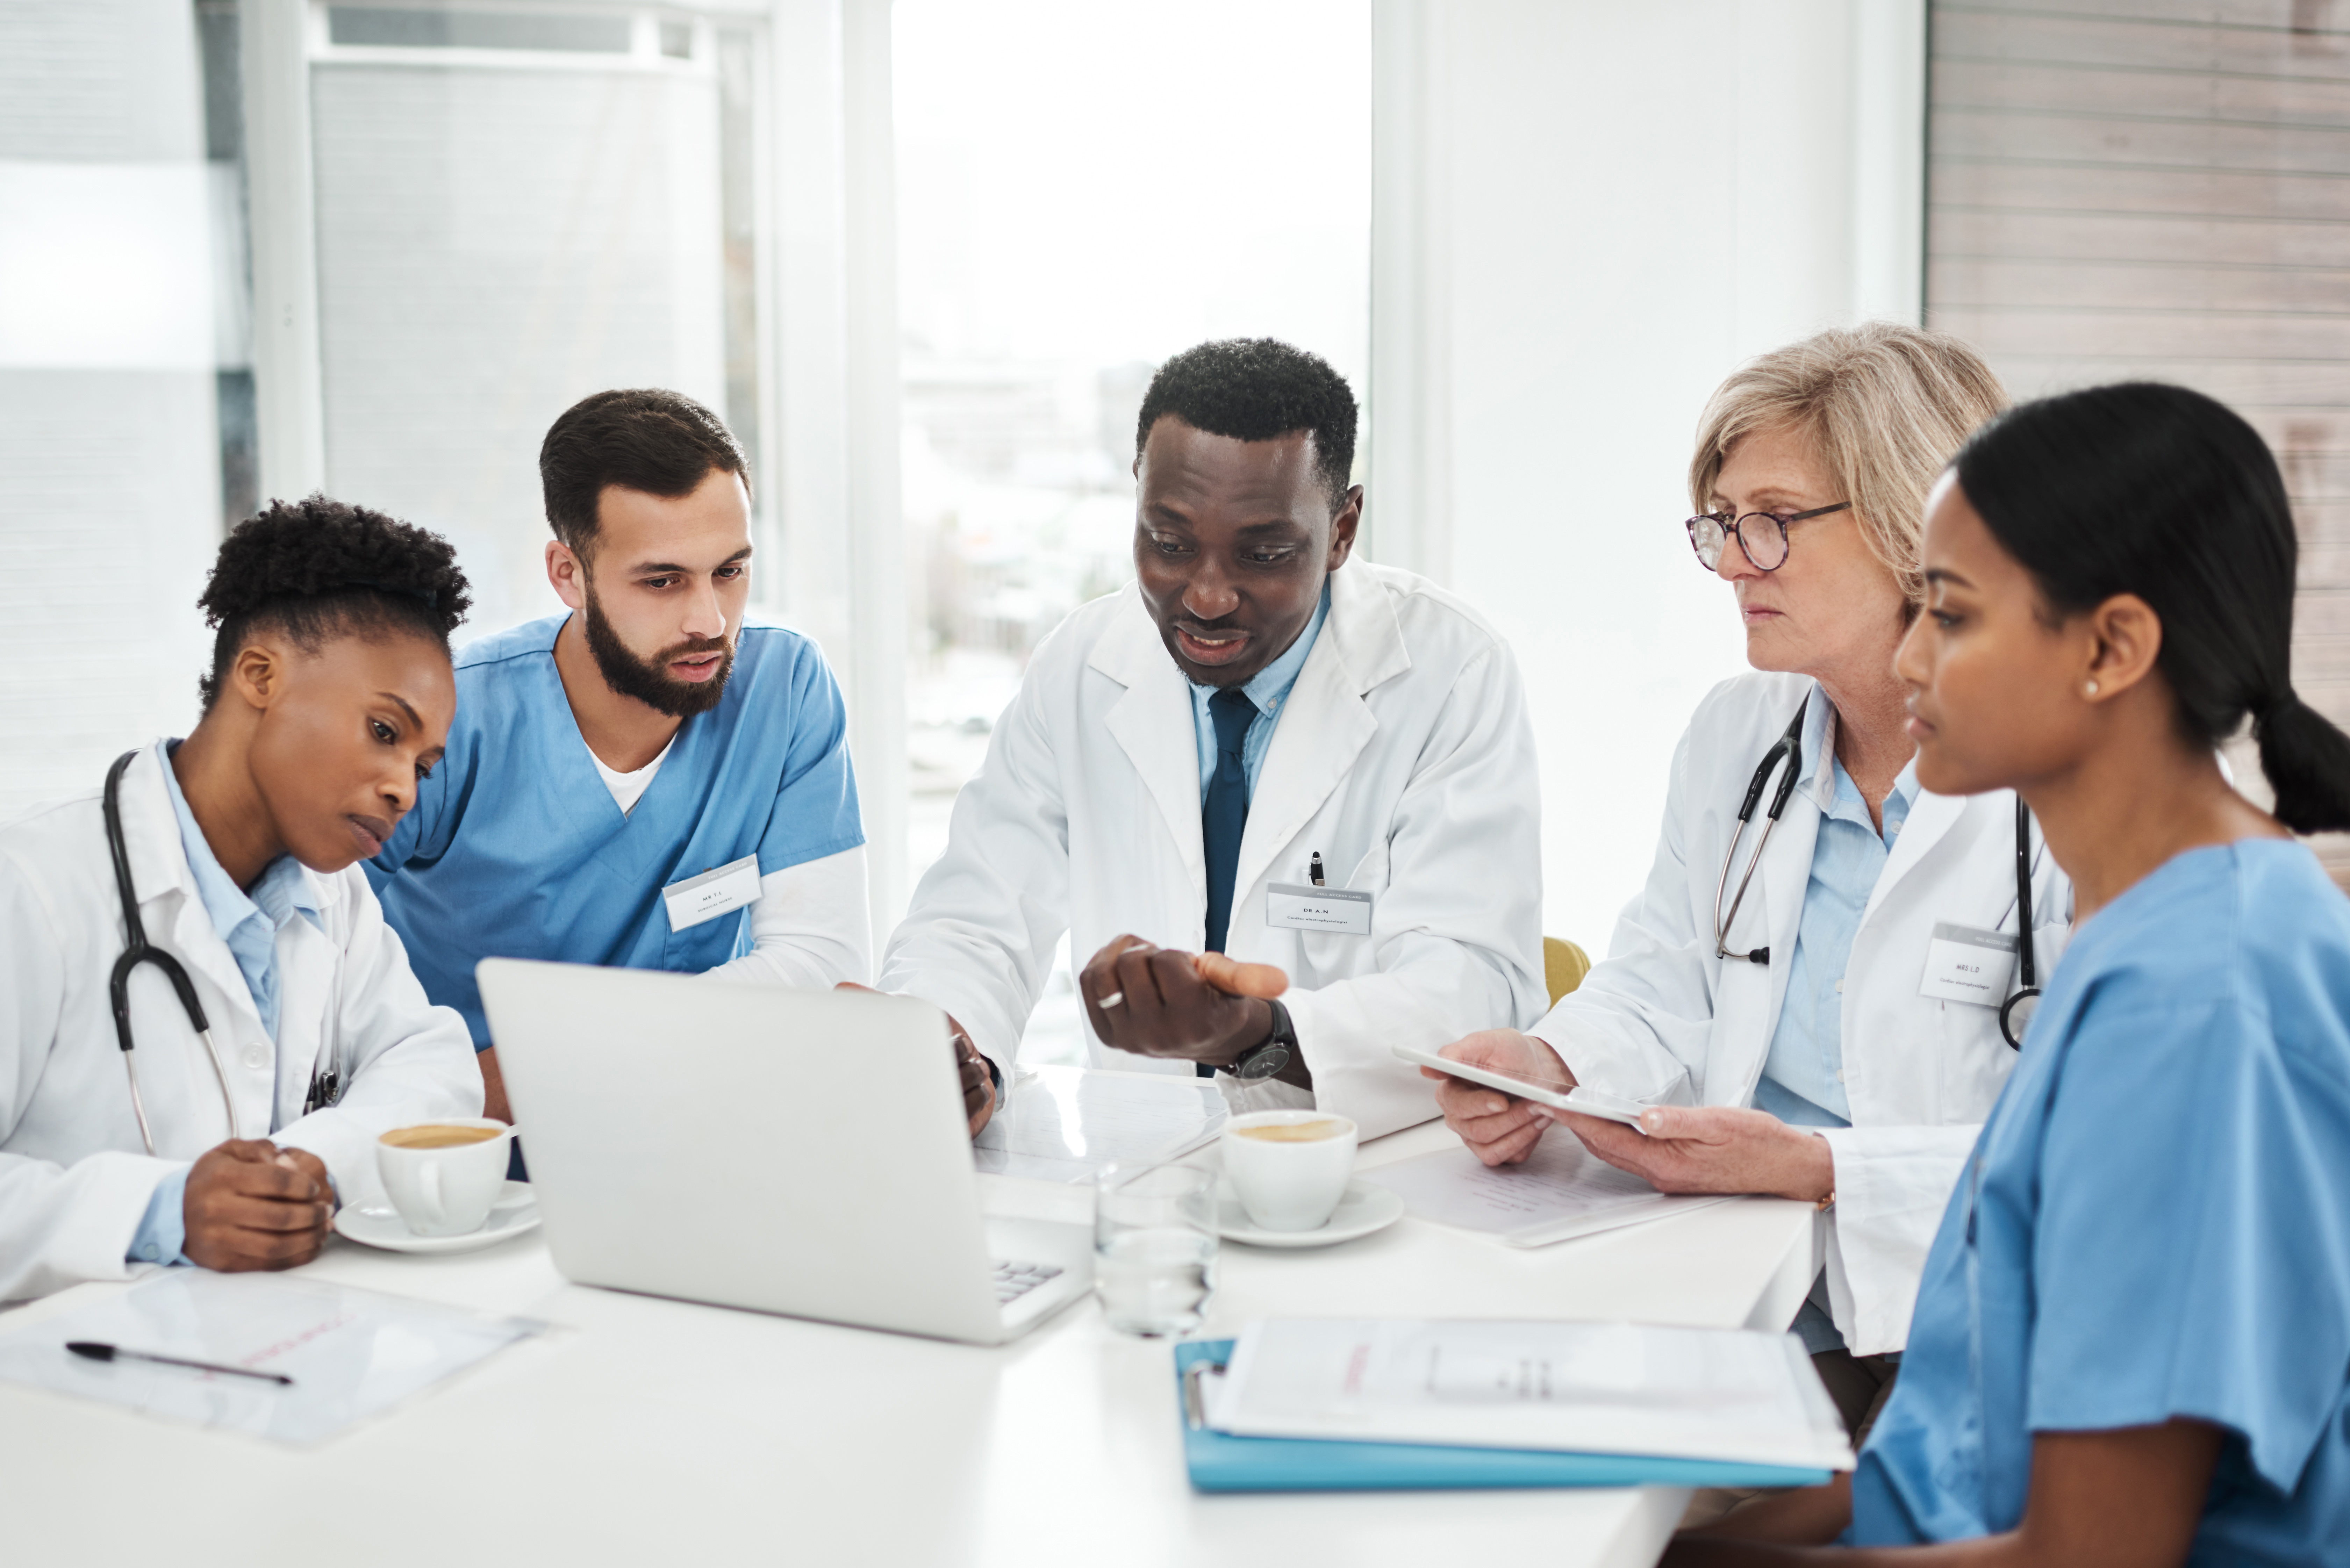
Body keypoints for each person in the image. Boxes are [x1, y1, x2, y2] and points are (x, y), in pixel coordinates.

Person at [1673, 383, 2350, 1563]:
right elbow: (1952, 1438)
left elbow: (2090, 1552)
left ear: (2109, 647)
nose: (1911, 652)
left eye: (1949, 613)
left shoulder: (2197, 999)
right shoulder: (2155, 924)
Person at [1425, 324, 2069, 1429]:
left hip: (1981, 1317)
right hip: (1756, 1287)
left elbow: (2104, 1153)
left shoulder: (2067, 785)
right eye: (1721, 525)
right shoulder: (1741, 733)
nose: (1731, 562)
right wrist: (1550, 1060)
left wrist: (1822, 1168)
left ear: (1915, 516)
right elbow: (1663, 974)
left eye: (1771, 522)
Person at [879, 338, 1546, 1139]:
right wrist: (957, 1050)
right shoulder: (1081, 664)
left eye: (1263, 554)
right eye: (1168, 542)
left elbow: (1473, 984)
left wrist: (1260, 1034)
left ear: (1342, 529)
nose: (1205, 594)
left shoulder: (1450, 671)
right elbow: (976, 915)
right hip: (1141, 1163)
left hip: (1375, 1165)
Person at [360, 391, 976, 1135]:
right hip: (477, 1159)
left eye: (730, 572)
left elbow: (821, 963)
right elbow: (324, 971)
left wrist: (539, 1063)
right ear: (568, 574)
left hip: (698, 1136)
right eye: (662, 581)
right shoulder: (452, 716)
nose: (709, 621)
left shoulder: (784, 688)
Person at [0, 498, 485, 1301]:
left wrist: (308, 1166)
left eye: (424, 765)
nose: (403, 787)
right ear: (260, 676)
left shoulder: (336, 898)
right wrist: (157, 1210)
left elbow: (429, 1064)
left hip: (267, 1342)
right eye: (384, 731)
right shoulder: (36, 886)